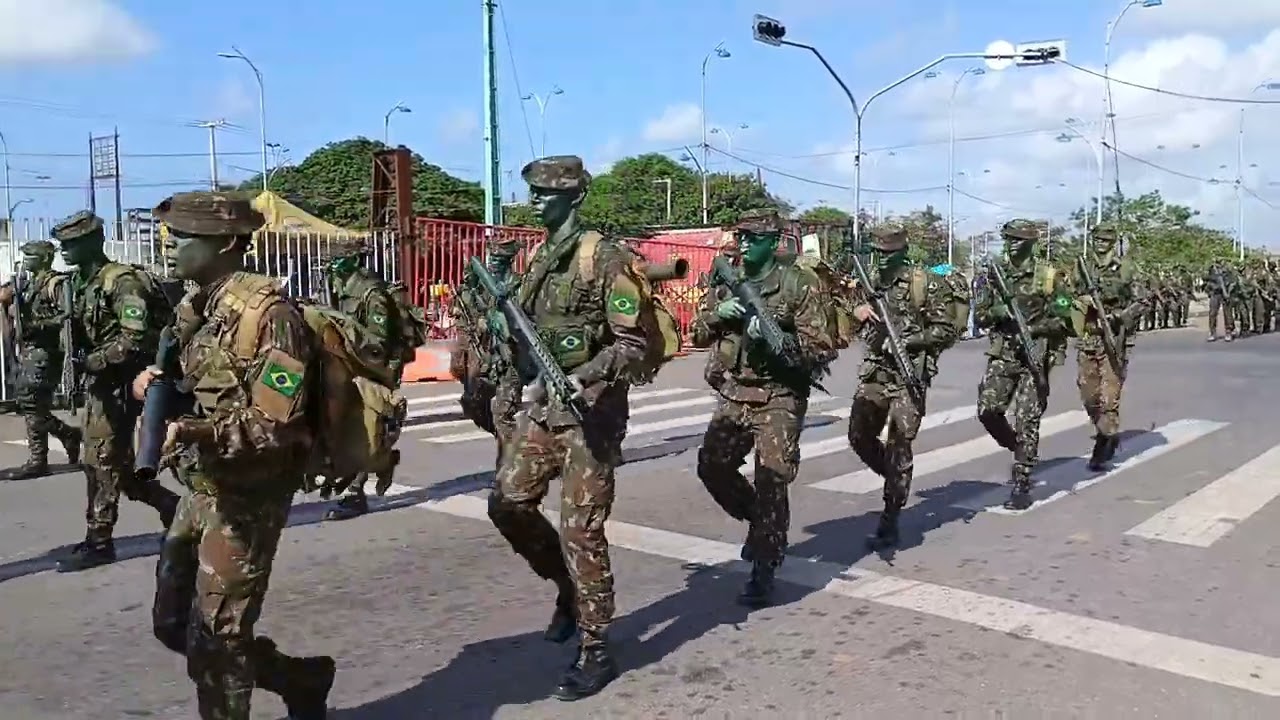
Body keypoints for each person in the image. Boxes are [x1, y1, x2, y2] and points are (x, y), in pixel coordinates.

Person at [140, 191, 334, 719]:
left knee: (217, 641)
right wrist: (156, 388)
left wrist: (195, 431)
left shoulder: (271, 317)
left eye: (183, 236)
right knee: (172, 624)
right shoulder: (197, 305)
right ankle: (299, 679)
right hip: (202, 488)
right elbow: (197, 383)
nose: (170, 243)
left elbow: (274, 424)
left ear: (225, 242)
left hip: (248, 495)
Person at [485, 155, 651, 700]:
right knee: (507, 502)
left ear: (575, 195)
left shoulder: (603, 258)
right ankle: (564, 586)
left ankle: (596, 645)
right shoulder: (537, 258)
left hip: (590, 415)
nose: (536, 199)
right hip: (541, 408)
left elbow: (632, 344)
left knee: (582, 529)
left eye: (549, 191)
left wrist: (584, 376)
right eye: (533, 190)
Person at [690, 209, 835, 607]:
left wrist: (778, 335)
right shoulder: (727, 279)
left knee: (772, 479)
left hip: (779, 394)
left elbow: (822, 346)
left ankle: (765, 566)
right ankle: (761, 524)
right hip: (735, 390)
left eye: (755, 237)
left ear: (774, 241)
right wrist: (718, 316)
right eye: (743, 235)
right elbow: (698, 333)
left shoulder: (796, 284)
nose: (746, 243)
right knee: (712, 467)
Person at [51, 210, 180, 573]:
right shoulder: (80, 284)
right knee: (117, 469)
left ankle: (100, 541)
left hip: (129, 381)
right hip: (106, 382)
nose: (64, 251)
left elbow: (134, 338)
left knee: (100, 462)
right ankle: (173, 508)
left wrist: (93, 361)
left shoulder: (121, 282)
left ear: (93, 242)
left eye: (71, 244)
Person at [847, 223, 963, 547]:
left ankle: (890, 517)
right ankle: (897, 479)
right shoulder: (867, 280)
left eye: (888, 254)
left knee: (900, 444)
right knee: (858, 436)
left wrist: (910, 340)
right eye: (878, 253)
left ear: (902, 253)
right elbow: (842, 312)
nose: (882, 260)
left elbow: (948, 329)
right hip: (875, 373)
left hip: (907, 374)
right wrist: (855, 310)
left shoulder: (923, 284)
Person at [975, 219, 1075, 509]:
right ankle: (1015, 444)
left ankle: (1022, 481)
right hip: (1004, 351)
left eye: (1019, 239)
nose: (1012, 243)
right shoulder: (995, 275)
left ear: (1032, 243)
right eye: (1009, 238)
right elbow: (979, 316)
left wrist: (1037, 328)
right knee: (988, 410)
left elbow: (1064, 317)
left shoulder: (1048, 276)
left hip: (1036, 354)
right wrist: (998, 310)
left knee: (1027, 417)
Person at [322, 240, 401, 521]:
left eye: (338, 259)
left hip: (376, 366)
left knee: (369, 426)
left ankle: (356, 492)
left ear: (354, 260)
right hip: (350, 363)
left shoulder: (372, 293)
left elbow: (378, 341)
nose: (331, 264)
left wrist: (345, 333)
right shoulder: (336, 285)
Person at [0, 240, 82, 479]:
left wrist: (39, 325)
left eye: (31, 256)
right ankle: (67, 434)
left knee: (30, 399)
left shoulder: (54, 283)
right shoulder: (26, 283)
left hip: (47, 350)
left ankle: (39, 459)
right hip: (29, 348)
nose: (26, 260)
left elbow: (68, 313)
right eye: (25, 255)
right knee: (33, 402)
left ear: (45, 258)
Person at [450, 236, 523, 466]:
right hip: (487, 357)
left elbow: (526, 320)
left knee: (502, 413)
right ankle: (511, 443)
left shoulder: (519, 285)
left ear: (509, 259)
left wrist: (501, 322)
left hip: (511, 358)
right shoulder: (483, 285)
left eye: (499, 259)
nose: (493, 263)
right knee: (472, 403)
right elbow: (466, 310)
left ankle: (508, 466)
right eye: (491, 258)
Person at [1075, 221, 1140, 471]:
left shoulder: (1125, 268)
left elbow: (1141, 301)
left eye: (1105, 240)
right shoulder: (1082, 267)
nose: (1100, 244)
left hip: (1115, 338)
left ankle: (1104, 443)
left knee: (1110, 396)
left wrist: (1120, 317)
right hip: (1089, 336)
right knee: (1088, 394)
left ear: (1113, 242)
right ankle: (1106, 429)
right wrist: (1080, 301)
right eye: (1097, 239)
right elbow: (1062, 298)